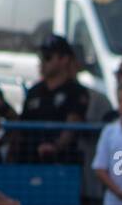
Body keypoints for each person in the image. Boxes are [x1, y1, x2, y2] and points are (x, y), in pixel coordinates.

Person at [18, 35, 88, 163]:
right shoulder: (34, 91)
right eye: (41, 57)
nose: (42, 62)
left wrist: (55, 146)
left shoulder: (76, 91)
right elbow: (21, 126)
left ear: (64, 59)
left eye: (48, 57)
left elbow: (72, 124)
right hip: (30, 161)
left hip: (62, 163)